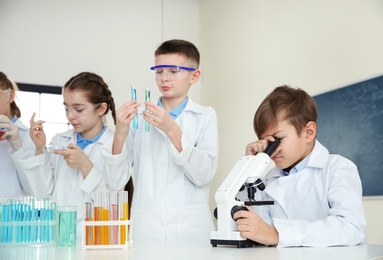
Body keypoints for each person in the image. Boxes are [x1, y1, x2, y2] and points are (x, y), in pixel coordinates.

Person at [102, 39, 219, 240]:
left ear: (195, 76)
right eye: (159, 71)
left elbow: (203, 175)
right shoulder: (138, 119)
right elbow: (115, 182)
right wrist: (120, 132)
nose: (164, 78)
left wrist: (172, 130)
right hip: (148, 229)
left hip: (191, 231)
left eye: (174, 71)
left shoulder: (205, 116)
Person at [233, 85, 366, 247]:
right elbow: (250, 231)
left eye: (277, 139)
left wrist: (278, 234)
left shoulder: (338, 168)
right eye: (266, 142)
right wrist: (250, 168)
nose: (271, 149)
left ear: (308, 132)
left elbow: (351, 228)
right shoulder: (266, 180)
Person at [14, 72, 117, 238]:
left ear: (101, 109)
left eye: (79, 109)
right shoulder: (60, 140)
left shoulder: (114, 146)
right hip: (58, 234)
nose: (70, 116)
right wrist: (39, 150)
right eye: (67, 108)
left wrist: (85, 166)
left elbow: (111, 201)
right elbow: (43, 193)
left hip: (93, 237)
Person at [0, 72, 36, 197]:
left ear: (10, 96)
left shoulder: (29, 137)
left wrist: (18, 148)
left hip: (14, 215)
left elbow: (36, 189)